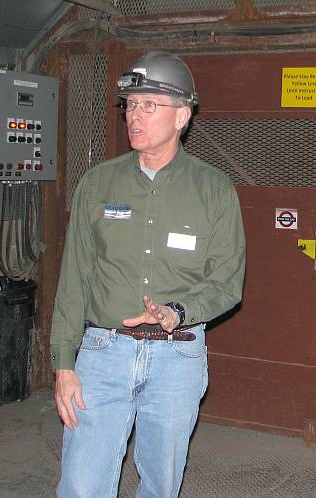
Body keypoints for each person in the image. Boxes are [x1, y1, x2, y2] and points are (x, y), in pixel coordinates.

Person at [50, 50, 246, 498]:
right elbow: (74, 278)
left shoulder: (214, 190)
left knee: (160, 485)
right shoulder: (97, 185)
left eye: (149, 105)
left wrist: (180, 310)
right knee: (81, 486)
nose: (135, 116)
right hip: (102, 353)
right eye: (131, 105)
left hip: (177, 357)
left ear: (182, 115)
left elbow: (227, 281)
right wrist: (63, 363)